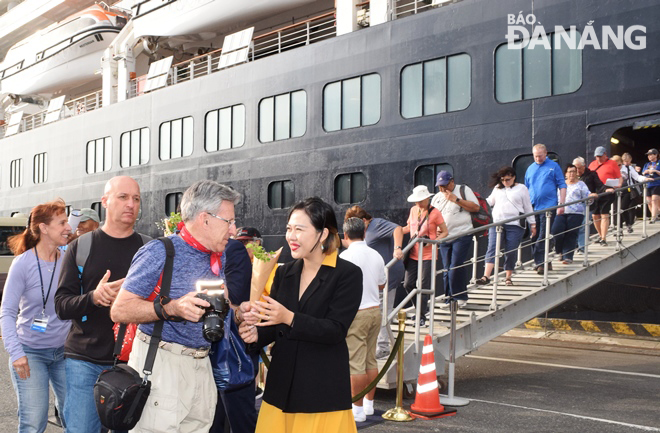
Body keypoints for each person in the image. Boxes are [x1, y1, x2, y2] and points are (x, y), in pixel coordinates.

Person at [111, 180, 242, 433]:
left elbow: (216, 305)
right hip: (162, 366)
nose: (234, 230)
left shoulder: (218, 255)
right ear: (205, 219)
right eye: (229, 221)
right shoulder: (160, 251)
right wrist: (171, 308)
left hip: (202, 365)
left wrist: (238, 312)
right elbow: (119, 310)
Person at [239, 197, 362, 433]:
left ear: (323, 233)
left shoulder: (347, 274)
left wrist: (290, 317)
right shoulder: (285, 272)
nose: (291, 236)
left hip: (320, 393)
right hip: (280, 390)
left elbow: (335, 330)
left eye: (299, 229)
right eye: (288, 229)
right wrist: (255, 334)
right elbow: (274, 327)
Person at [54, 176, 146, 433]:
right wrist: (95, 297)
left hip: (135, 364)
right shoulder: (81, 247)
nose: (131, 204)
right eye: (123, 197)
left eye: (136, 198)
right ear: (105, 201)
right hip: (85, 361)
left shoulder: (149, 249)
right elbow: (62, 305)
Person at [1, 199, 72, 432]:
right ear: (44, 228)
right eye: (62, 222)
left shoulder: (68, 261)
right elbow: (7, 312)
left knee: (76, 416)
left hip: (65, 353)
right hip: (30, 353)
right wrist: (17, 353)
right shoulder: (22, 264)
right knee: (34, 421)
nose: (68, 227)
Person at [339, 218, 386, 423]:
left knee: (355, 363)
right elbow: (382, 285)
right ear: (365, 233)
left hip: (355, 312)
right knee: (370, 359)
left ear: (345, 235)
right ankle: (368, 405)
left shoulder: (345, 256)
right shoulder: (376, 255)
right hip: (374, 310)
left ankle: (356, 410)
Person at [211, 236, 258, 433]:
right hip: (199, 363)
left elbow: (236, 298)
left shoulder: (232, 250)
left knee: (238, 420)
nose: (230, 228)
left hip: (229, 355)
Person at [343, 205, 404, 360]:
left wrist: (397, 248)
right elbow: (357, 245)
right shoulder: (363, 234)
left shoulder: (376, 225)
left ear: (364, 220)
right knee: (379, 309)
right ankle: (378, 345)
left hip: (388, 274)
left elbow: (397, 229)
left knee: (384, 310)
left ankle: (383, 347)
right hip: (377, 275)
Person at [476, 167, 535, 286]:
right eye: (502, 180)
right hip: (497, 223)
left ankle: (508, 277)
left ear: (513, 177)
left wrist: (532, 223)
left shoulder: (522, 188)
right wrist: (476, 202)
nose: (505, 182)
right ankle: (486, 276)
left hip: (515, 224)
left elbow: (527, 206)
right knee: (492, 247)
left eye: (507, 179)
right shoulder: (498, 188)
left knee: (511, 250)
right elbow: (490, 201)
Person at [400, 185, 447, 320]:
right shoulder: (414, 210)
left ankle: (420, 315)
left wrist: (434, 242)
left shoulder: (435, 213)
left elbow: (445, 231)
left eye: (420, 200)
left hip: (428, 254)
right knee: (408, 283)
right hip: (413, 253)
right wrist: (396, 231)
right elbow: (410, 227)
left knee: (423, 284)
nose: (418, 203)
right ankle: (420, 309)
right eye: (416, 201)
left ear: (427, 199)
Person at [431, 171, 478, 307]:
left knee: (455, 266)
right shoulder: (436, 197)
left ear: (452, 182)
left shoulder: (463, 190)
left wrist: (456, 199)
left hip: (462, 234)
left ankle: (460, 296)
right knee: (446, 269)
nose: (442, 189)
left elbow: (475, 207)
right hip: (444, 237)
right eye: (439, 186)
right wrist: (435, 228)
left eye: (444, 185)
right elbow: (432, 217)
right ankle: (449, 298)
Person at [524, 144, 567, 274]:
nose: (538, 158)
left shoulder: (553, 166)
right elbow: (526, 188)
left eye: (540, 156)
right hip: (532, 207)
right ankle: (545, 262)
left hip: (549, 206)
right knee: (534, 235)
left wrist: (562, 204)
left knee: (542, 235)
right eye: (535, 156)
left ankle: (540, 264)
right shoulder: (530, 169)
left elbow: (562, 185)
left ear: (546, 153)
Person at [551, 165, 597, 264]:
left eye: (573, 171)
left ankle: (568, 256)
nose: (571, 173)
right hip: (561, 211)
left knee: (571, 233)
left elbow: (587, 195)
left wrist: (591, 195)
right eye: (569, 171)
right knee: (556, 230)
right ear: (566, 174)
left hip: (576, 213)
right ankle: (559, 251)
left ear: (576, 173)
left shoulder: (581, 184)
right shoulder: (560, 184)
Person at [588, 146, 622, 245]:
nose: (598, 158)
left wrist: (619, 185)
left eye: (600, 156)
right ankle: (600, 235)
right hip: (596, 191)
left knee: (604, 214)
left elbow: (619, 176)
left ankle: (603, 238)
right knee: (595, 215)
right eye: (597, 156)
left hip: (608, 189)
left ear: (605, 154)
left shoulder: (612, 163)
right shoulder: (592, 164)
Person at [573, 156, 608, 252]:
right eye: (575, 168)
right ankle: (576, 245)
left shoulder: (591, 174)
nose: (577, 170)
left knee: (583, 225)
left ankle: (582, 247)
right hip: (575, 205)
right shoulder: (572, 176)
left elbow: (599, 185)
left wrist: (606, 189)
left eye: (579, 168)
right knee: (576, 225)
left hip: (587, 204)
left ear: (584, 166)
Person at [620, 153, 648, 232]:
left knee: (626, 207)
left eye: (629, 161)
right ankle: (622, 226)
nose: (627, 163)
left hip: (628, 189)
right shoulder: (618, 167)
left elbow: (637, 177)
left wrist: (645, 179)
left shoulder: (630, 168)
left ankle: (629, 224)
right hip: (619, 190)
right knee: (619, 209)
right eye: (626, 161)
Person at [642, 148, 660, 223]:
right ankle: (656, 214)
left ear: (655, 155)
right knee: (649, 201)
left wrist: (655, 171)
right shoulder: (647, 164)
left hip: (657, 183)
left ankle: (653, 217)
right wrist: (646, 171)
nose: (649, 156)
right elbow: (642, 173)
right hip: (648, 184)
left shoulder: (659, 162)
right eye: (648, 155)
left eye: (650, 155)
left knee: (654, 200)